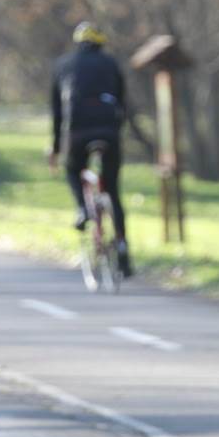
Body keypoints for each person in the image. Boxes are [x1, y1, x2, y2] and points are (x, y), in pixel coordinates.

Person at [48, 21, 131, 276]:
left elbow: (57, 112)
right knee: (112, 189)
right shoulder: (111, 64)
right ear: (100, 43)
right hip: (108, 132)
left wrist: (55, 148)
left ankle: (83, 209)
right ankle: (124, 254)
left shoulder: (62, 65)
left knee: (74, 170)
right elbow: (122, 102)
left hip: (77, 131)